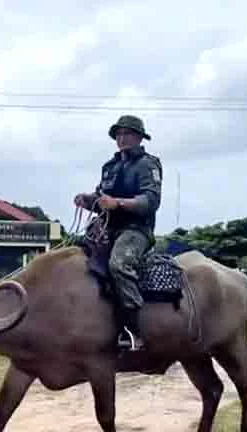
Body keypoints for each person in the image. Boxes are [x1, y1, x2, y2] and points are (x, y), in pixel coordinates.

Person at [74, 115, 162, 350]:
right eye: (119, 134)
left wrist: (119, 203)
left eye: (128, 134)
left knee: (119, 265)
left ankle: (135, 329)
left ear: (139, 137)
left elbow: (151, 200)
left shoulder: (148, 164)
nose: (122, 138)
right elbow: (102, 198)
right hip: (106, 228)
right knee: (73, 257)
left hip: (136, 230)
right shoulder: (109, 167)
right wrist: (87, 200)